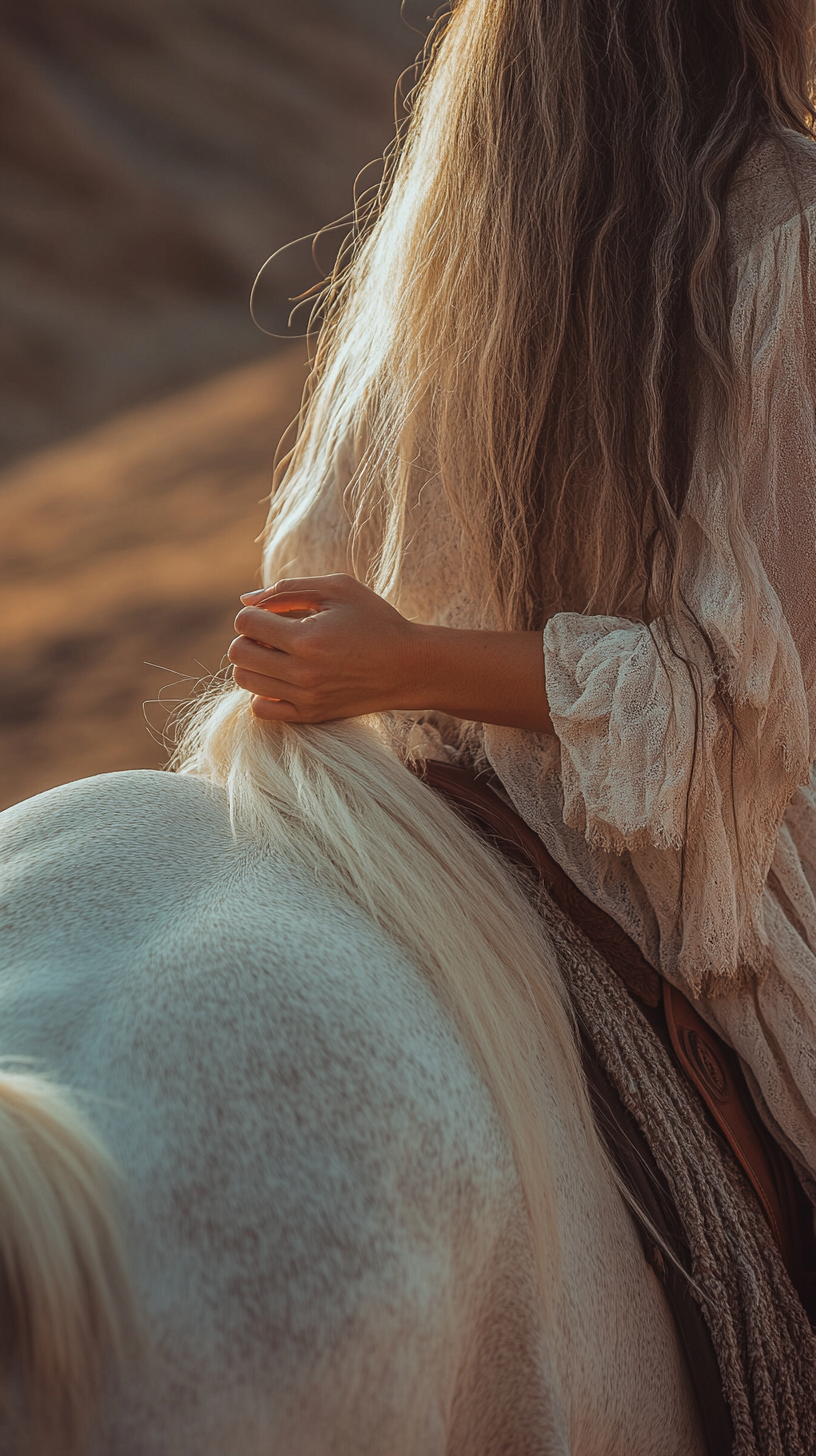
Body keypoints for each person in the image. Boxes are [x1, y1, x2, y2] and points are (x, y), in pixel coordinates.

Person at [228, 0, 816, 1197]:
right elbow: (741, 711)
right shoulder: (788, 223)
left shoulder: (457, 217)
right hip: (681, 872)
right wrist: (398, 662)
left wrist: (376, 662)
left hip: (424, 791)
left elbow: (319, 563)